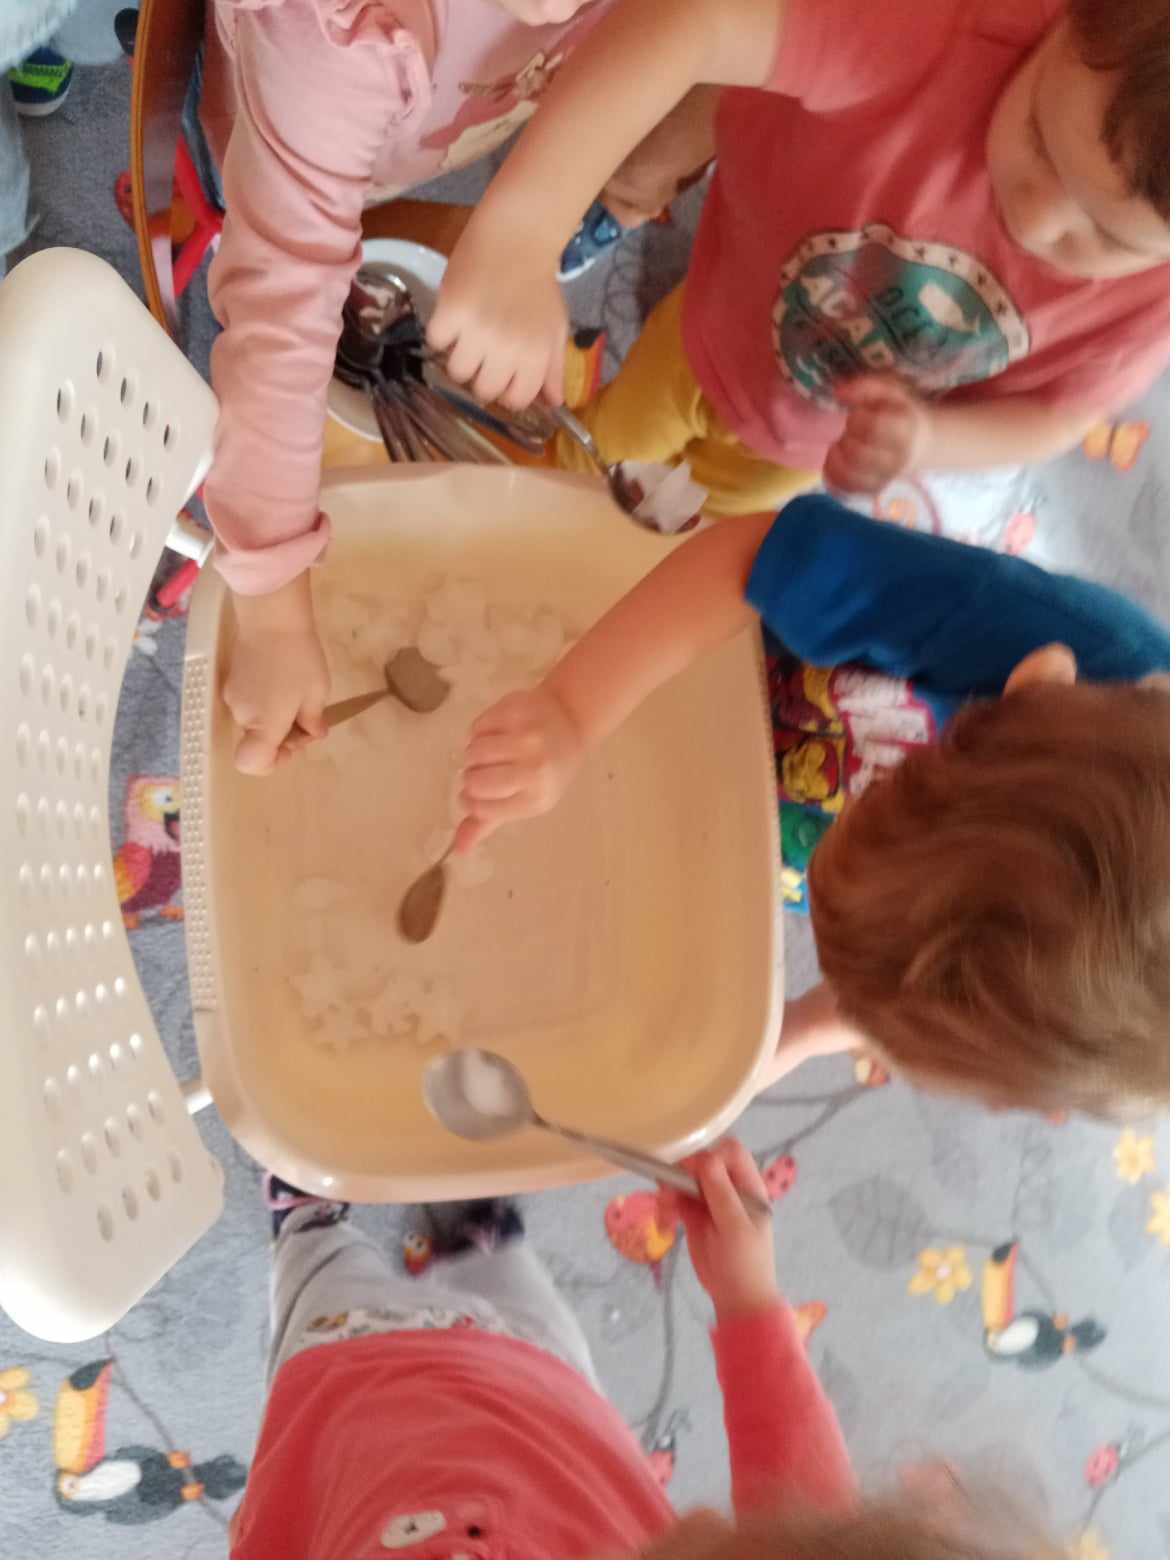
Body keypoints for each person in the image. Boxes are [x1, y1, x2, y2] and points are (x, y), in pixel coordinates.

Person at [455, 493, 1170, 1116]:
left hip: (780, 820)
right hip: (717, 638)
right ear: (1029, 689)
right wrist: (571, 711)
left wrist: (797, 1033)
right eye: (881, 797)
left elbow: (917, 981)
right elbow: (753, 559)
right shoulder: (1040, 635)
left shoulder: (1074, 1000)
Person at [197, 0, 719, 778]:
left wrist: (532, 225)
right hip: (288, 133)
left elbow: (700, 29)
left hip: (418, 130)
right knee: (265, 212)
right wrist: (273, 618)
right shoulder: (333, 43)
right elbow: (279, 319)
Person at [429, 0, 1170, 514]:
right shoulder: (942, 29)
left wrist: (927, 439)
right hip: (706, 337)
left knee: (680, 533)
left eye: (1109, 239)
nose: (1038, 218)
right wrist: (522, 231)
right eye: (1038, 136)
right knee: (583, 462)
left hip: (804, 449)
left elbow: (1056, 417)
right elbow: (691, 21)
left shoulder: (1149, 312)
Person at [230, 1140, 1057, 1558]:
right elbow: (808, 1509)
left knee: (322, 1276)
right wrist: (750, 1302)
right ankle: (477, 1236)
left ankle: (308, 1225)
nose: (702, 1512)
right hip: (544, 1387)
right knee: (509, 1279)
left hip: (348, 1388)